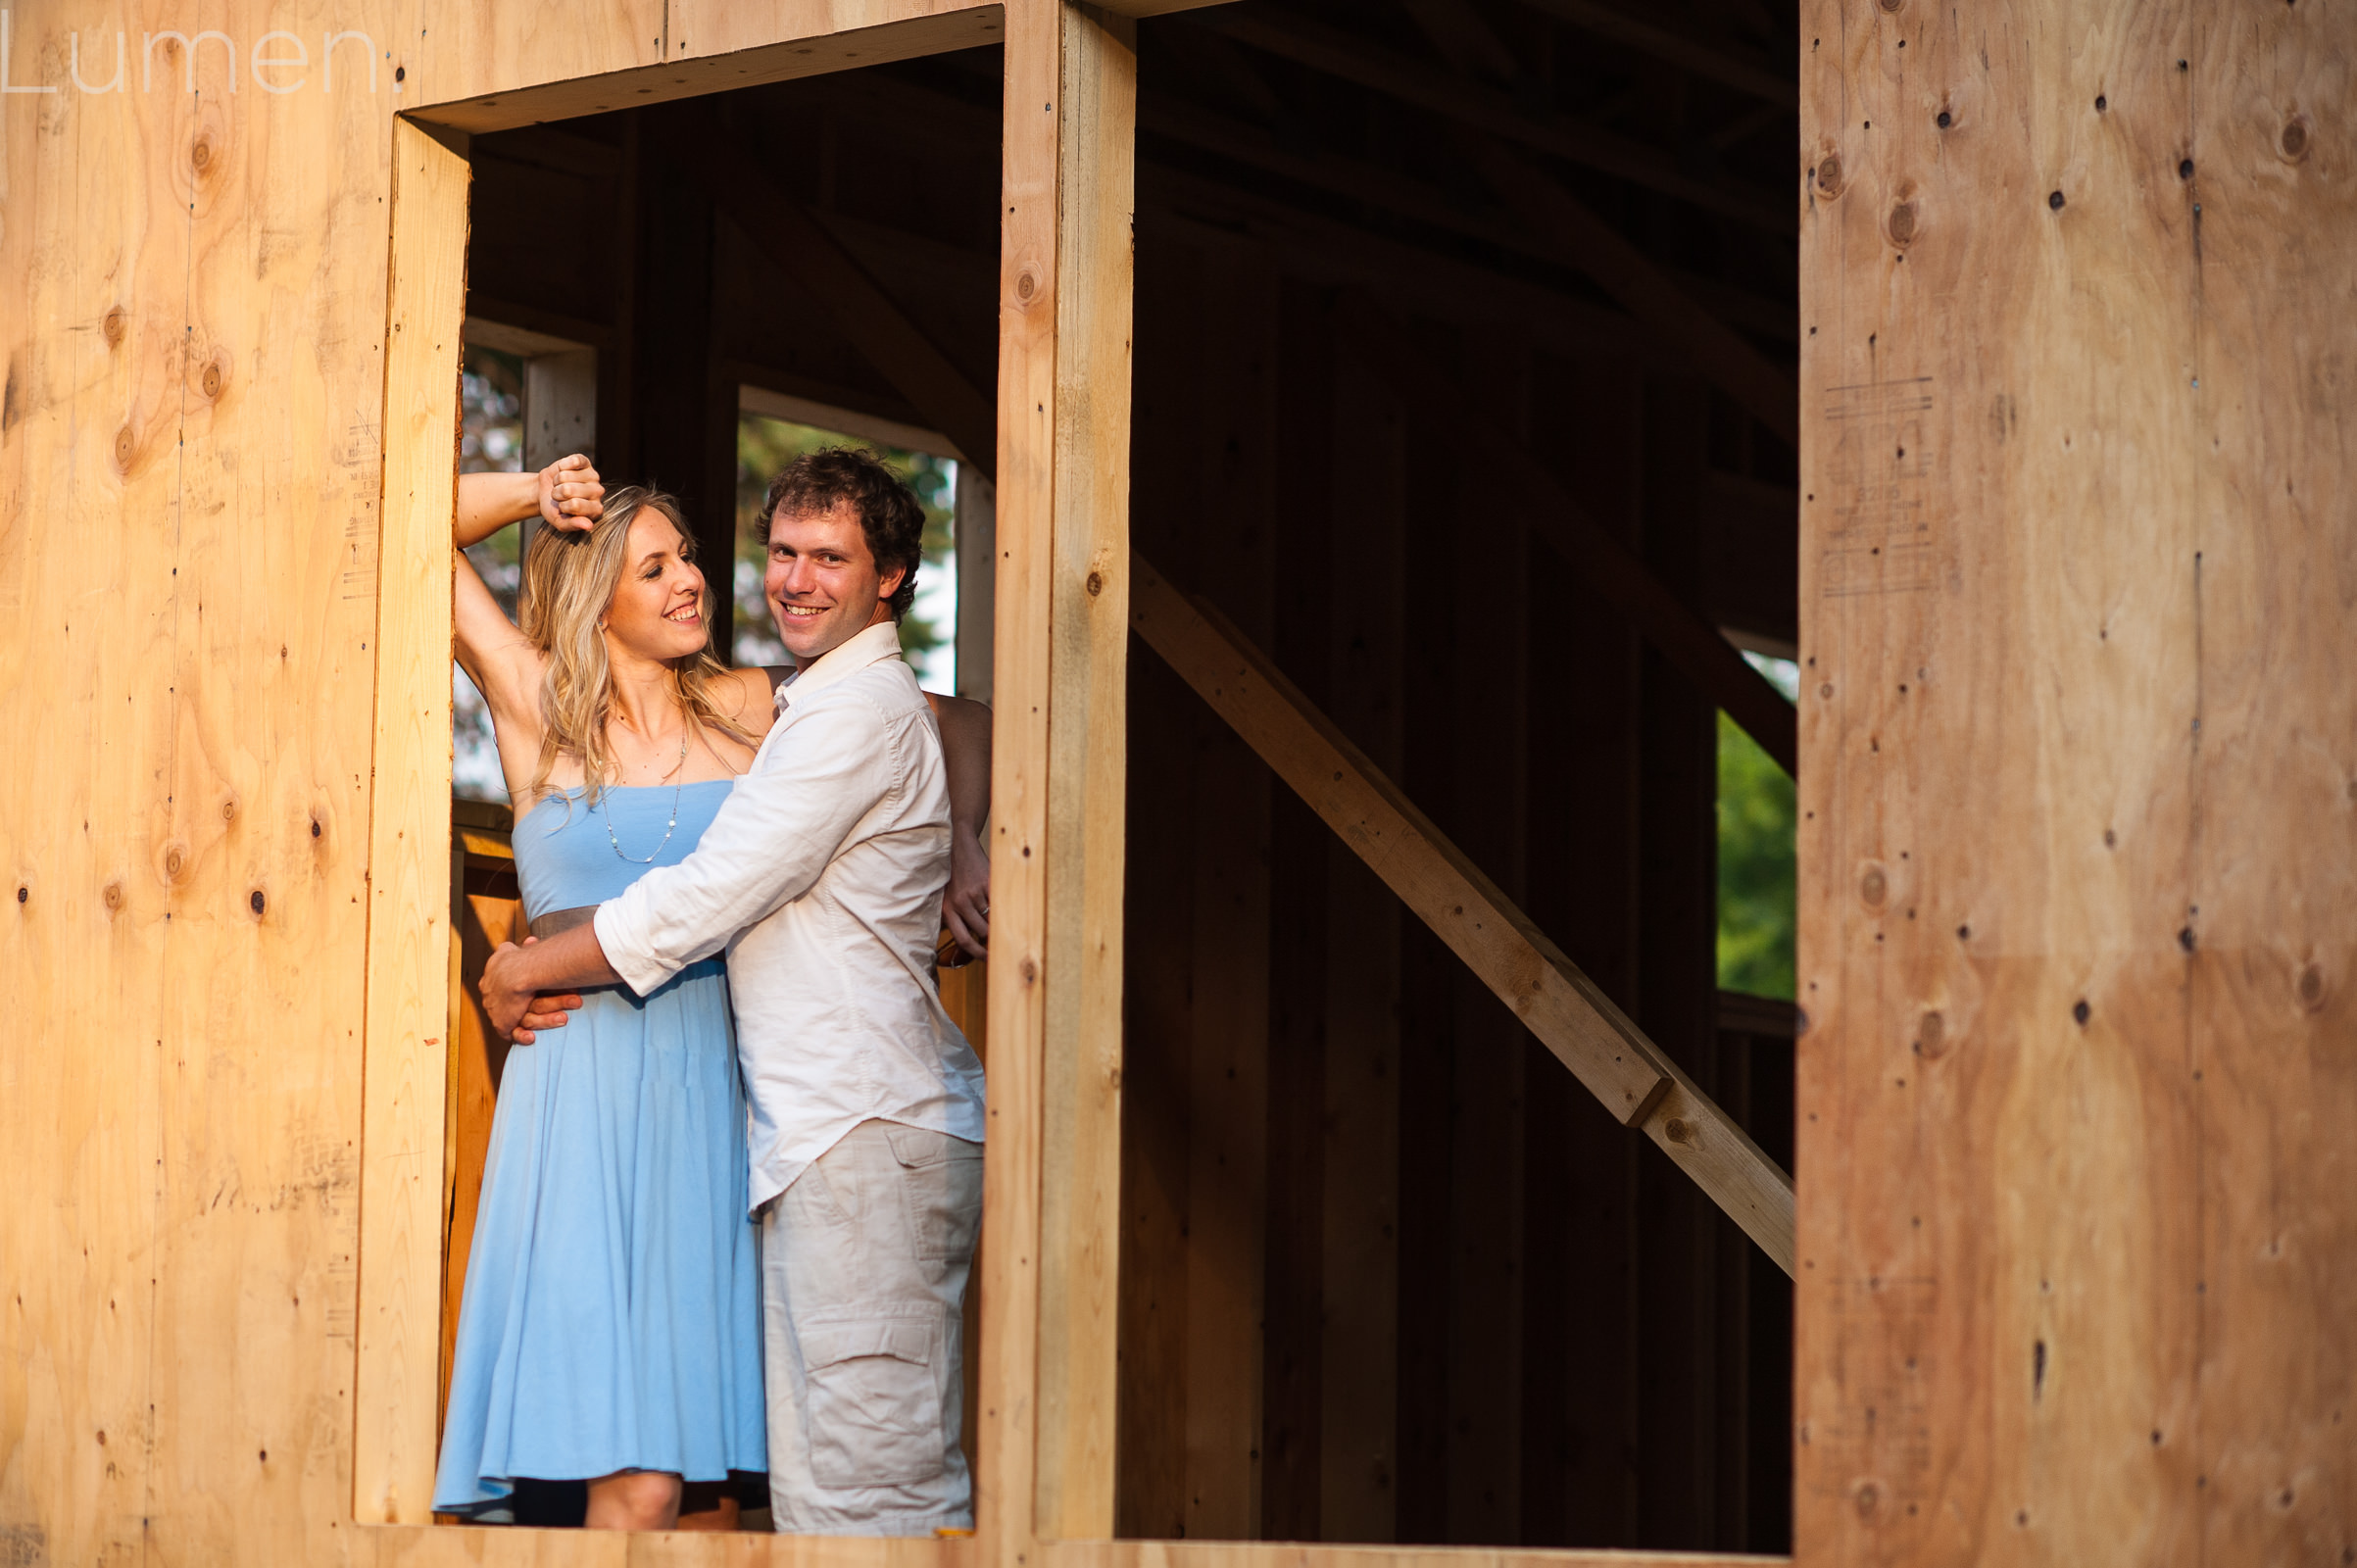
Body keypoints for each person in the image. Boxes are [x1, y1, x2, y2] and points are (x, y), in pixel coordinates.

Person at [433, 454, 993, 1531]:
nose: (693, 578)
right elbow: (403, 521)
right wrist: (531, 494)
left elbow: (956, 722)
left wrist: (957, 838)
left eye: (687, 555)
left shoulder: (750, 708)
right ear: (598, 593)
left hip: (718, 1098)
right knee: (634, 1479)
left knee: (717, 1489)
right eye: (657, 566)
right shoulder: (531, 697)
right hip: (581, 1105)